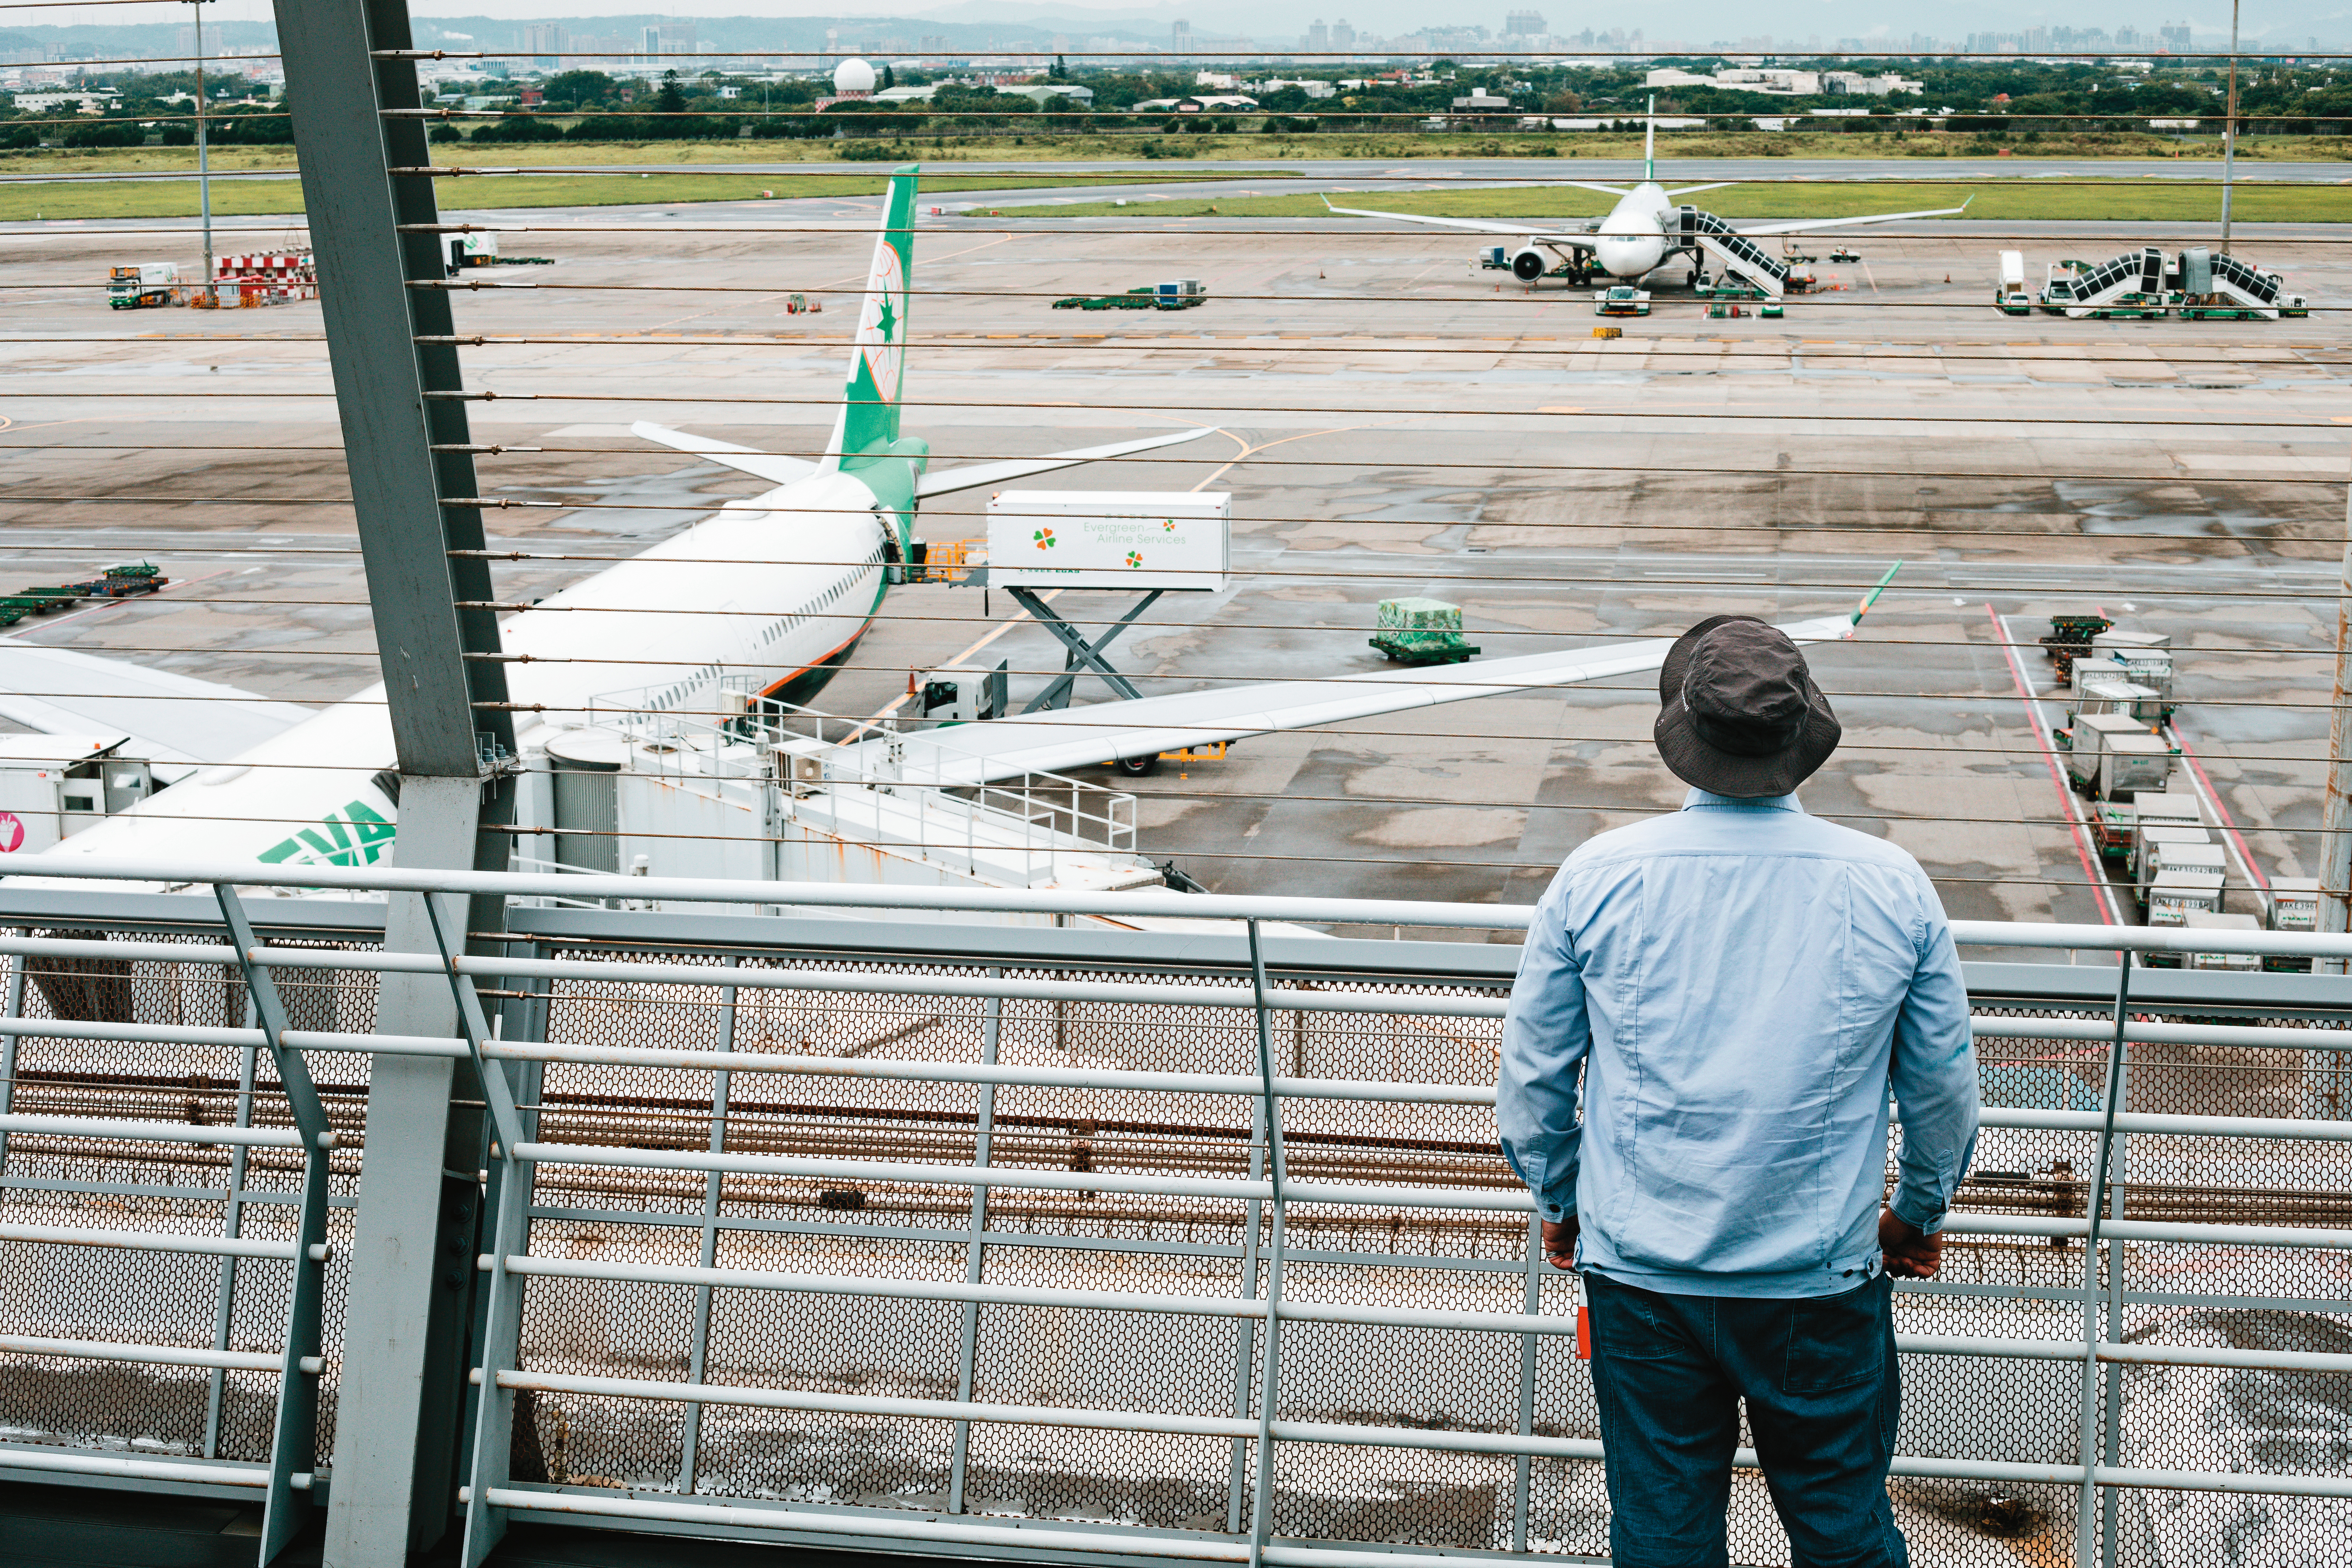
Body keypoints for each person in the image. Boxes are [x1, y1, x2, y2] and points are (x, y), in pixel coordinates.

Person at [1496, 614, 1979, 1568]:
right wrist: (1915, 1216)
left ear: (1680, 733)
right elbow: (1942, 1092)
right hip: (1822, 1279)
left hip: (1642, 1277)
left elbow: (1534, 1080)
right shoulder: (1892, 884)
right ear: (1803, 737)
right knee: (1842, 1529)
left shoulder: (1597, 877)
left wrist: (1563, 1202)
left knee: (1663, 1535)